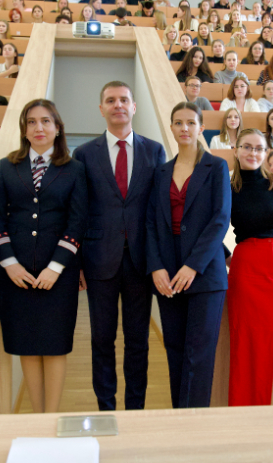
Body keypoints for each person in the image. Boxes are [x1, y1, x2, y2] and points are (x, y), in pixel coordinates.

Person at [72, 81, 166, 411]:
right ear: (101, 109)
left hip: (142, 261)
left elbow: (159, 209)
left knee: (138, 340)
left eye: (124, 100)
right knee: (102, 339)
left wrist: (159, 260)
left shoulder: (154, 151)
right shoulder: (84, 154)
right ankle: (106, 410)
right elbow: (79, 211)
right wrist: (77, 262)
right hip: (99, 260)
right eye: (110, 100)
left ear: (134, 107)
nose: (118, 105)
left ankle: (135, 411)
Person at [0, 99, 86, 414]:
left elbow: (77, 222)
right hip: (15, 274)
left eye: (46, 121)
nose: (38, 127)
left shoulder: (74, 169)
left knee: (55, 346)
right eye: (31, 122)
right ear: (24, 129)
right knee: (27, 346)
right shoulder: (7, 166)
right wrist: (10, 264)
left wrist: (55, 268)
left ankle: (51, 418)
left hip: (58, 275)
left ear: (57, 128)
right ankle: (36, 417)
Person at [146, 102, 230, 408]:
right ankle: (178, 418)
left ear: (201, 128)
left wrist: (193, 265)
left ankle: (194, 424)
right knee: (175, 349)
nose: (184, 128)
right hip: (167, 274)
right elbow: (151, 222)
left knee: (199, 353)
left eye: (191, 123)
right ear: (171, 128)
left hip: (205, 273)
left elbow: (220, 219)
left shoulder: (217, 167)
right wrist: (156, 266)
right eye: (178, 123)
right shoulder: (160, 172)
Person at [227, 128, 273, 406]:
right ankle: (248, 413)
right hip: (247, 269)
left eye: (259, 148)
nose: (253, 153)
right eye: (247, 147)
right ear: (236, 150)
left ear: (266, 152)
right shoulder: (227, 187)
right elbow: (210, 226)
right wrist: (227, 256)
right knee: (248, 343)